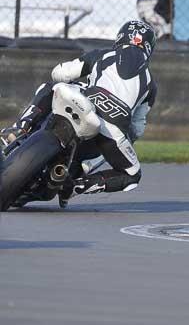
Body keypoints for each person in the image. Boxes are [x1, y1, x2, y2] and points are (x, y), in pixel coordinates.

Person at [0, 20, 158, 203]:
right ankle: (77, 186)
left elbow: (61, 73)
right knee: (132, 175)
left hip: (85, 103)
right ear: (148, 47)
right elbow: (137, 129)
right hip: (111, 130)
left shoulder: (104, 54)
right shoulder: (151, 84)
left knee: (51, 86)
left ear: (120, 37)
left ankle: (20, 128)